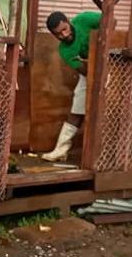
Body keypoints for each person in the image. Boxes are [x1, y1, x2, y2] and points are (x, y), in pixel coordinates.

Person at [41, 10, 100, 161]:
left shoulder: (84, 20)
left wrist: (103, 44)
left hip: (112, 65)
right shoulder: (65, 50)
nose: (64, 35)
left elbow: (111, 21)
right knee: (76, 111)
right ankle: (61, 150)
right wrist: (91, 62)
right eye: (58, 34)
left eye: (64, 29)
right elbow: (85, 71)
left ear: (68, 21)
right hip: (91, 73)